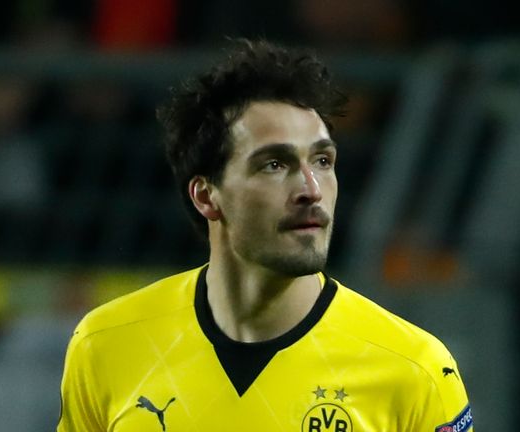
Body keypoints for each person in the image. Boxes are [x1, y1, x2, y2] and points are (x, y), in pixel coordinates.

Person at [57, 39, 473, 432]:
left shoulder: (414, 370)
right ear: (207, 195)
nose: (311, 188)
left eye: (323, 160)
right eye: (274, 164)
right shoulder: (107, 344)